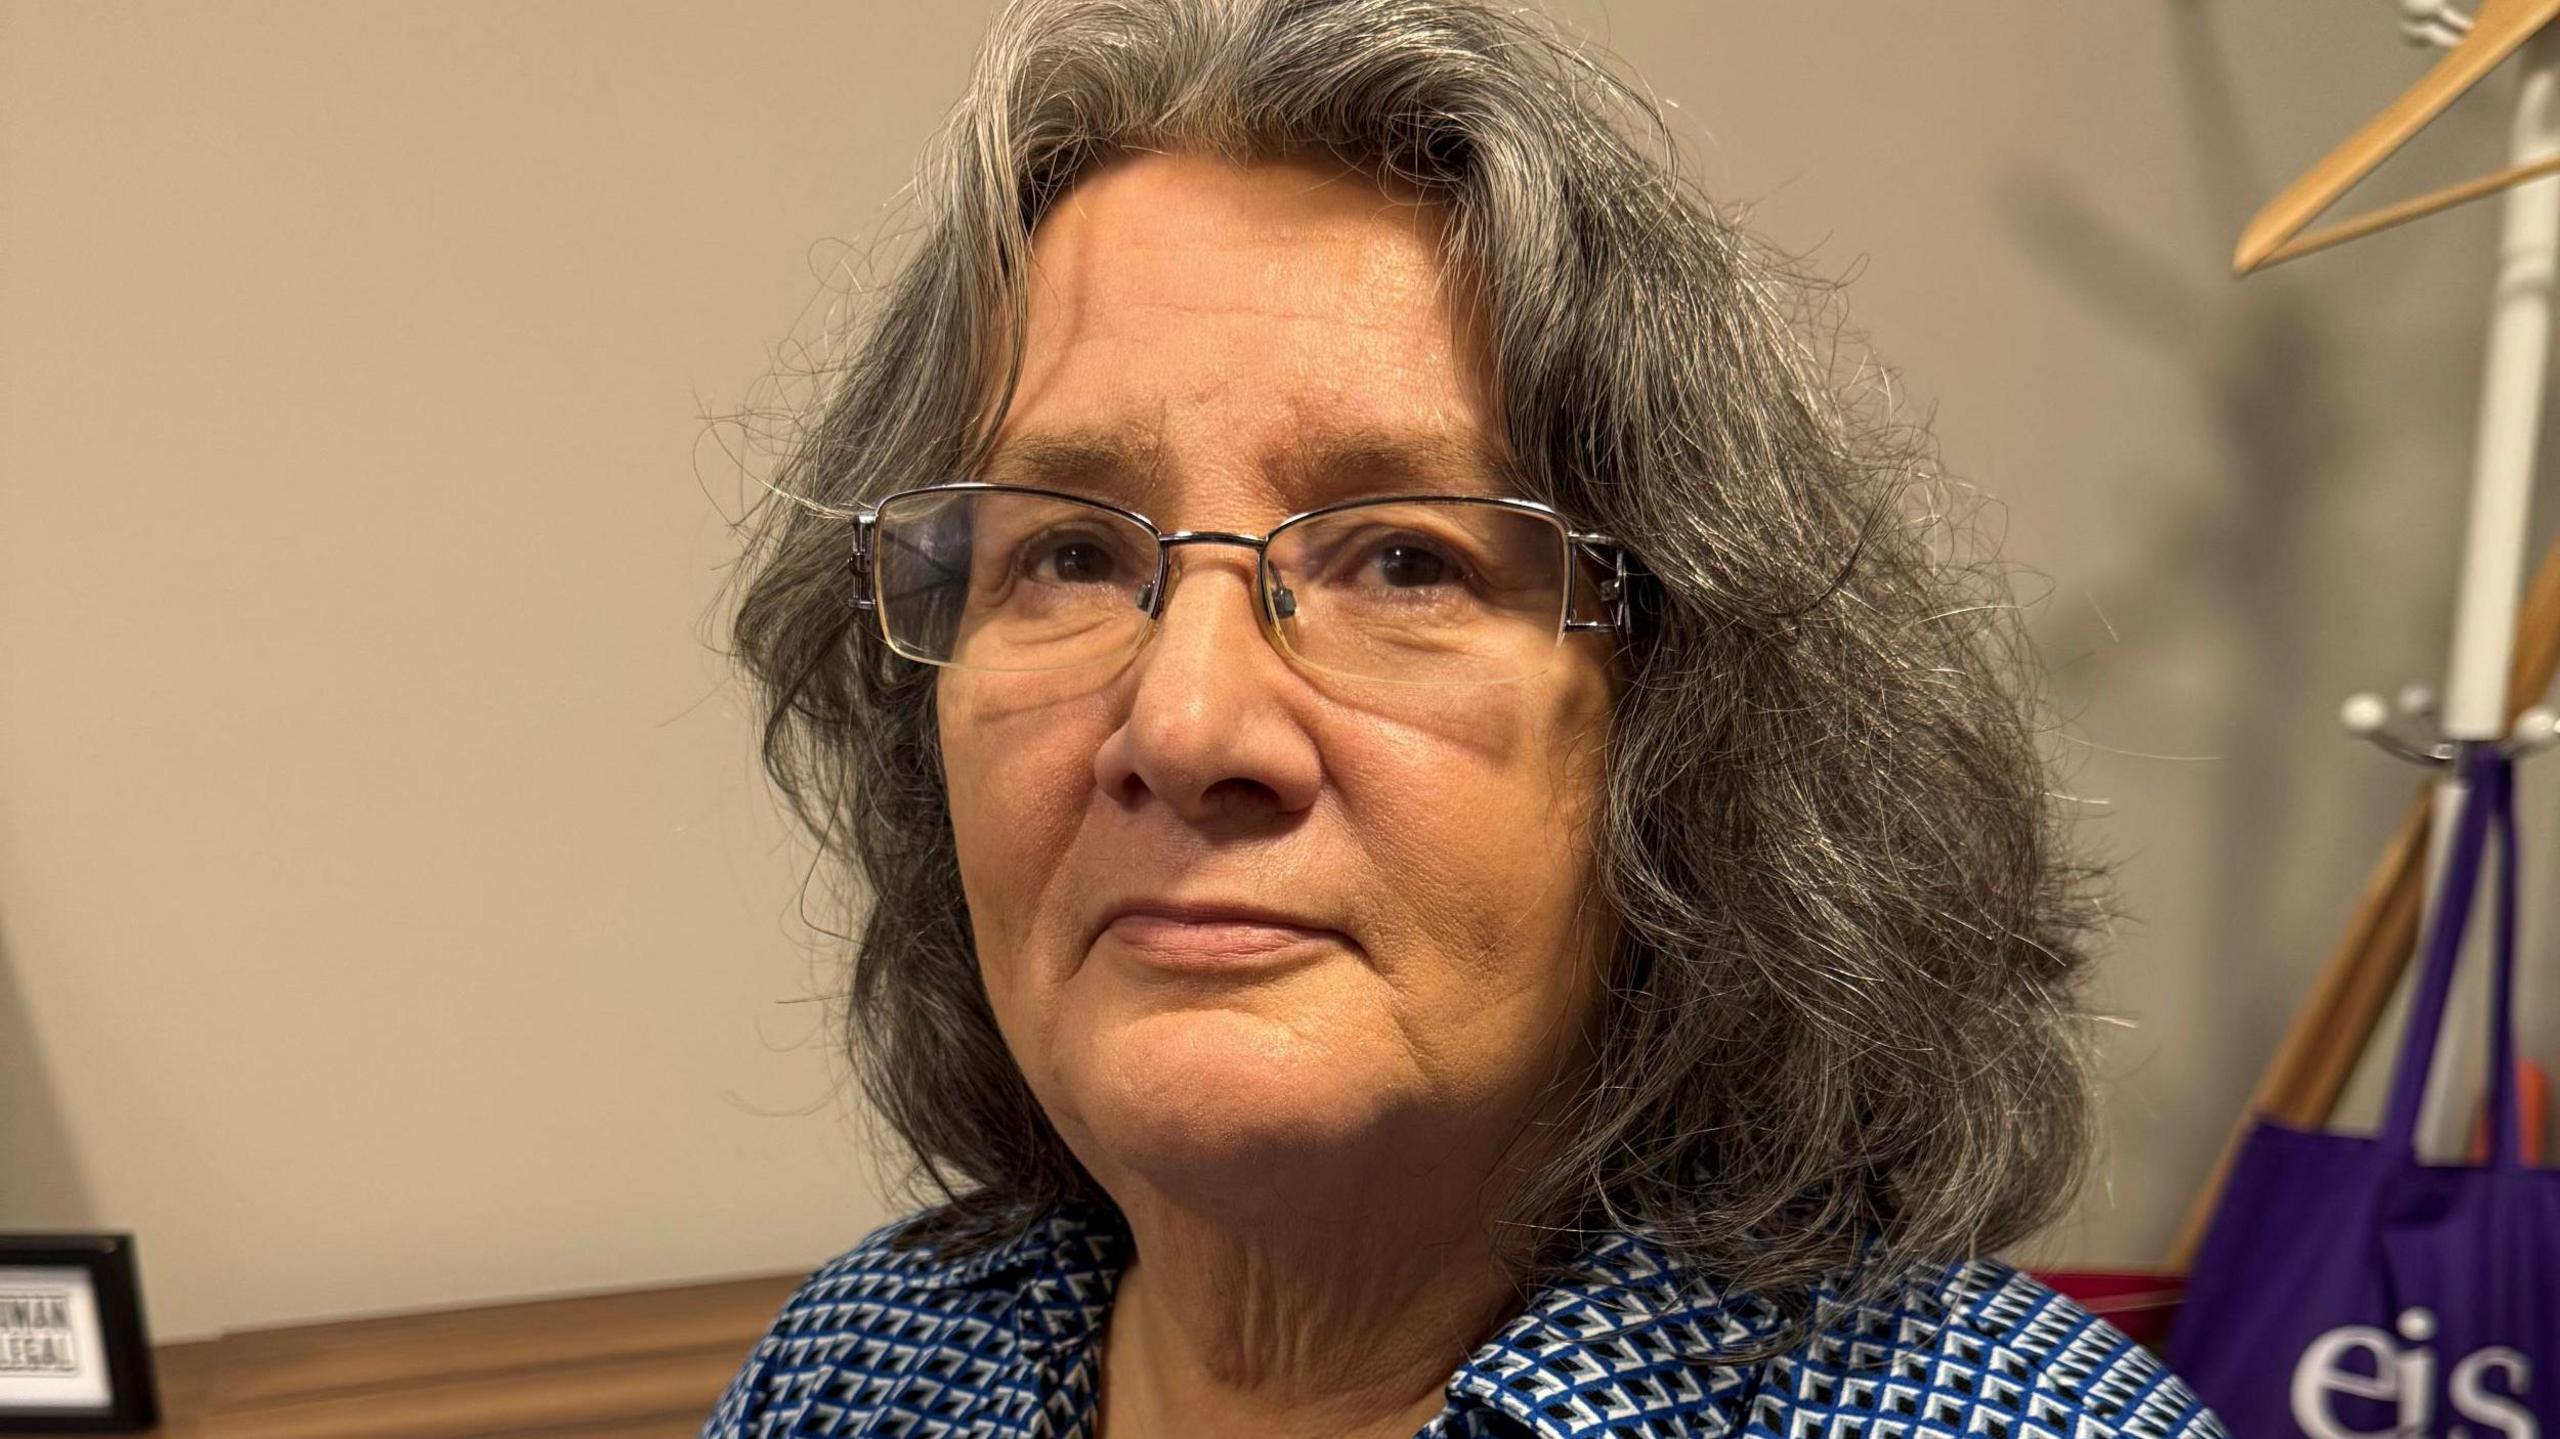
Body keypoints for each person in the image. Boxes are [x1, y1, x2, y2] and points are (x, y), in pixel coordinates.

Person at [705, 0, 2227, 1435]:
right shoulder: (867, 1366)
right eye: (1071, 556)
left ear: (1686, 737)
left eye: (1406, 562)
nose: (1185, 723)